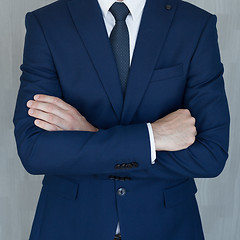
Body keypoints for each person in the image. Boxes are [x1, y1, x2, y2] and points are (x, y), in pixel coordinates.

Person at [13, 0, 230, 239]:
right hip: (69, 225)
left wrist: (91, 135)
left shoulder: (195, 24)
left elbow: (211, 154)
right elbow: (34, 150)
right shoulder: (47, 22)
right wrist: (151, 139)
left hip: (168, 227)